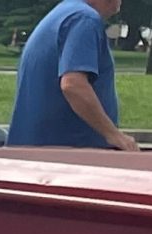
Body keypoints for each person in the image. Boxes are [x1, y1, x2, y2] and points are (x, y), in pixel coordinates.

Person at [8, 0, 136, 149]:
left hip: (37, 148)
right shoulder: (84, 20)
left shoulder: (65, 13)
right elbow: (73, 85)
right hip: (67, 152)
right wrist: (113, 135)